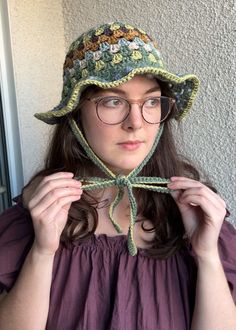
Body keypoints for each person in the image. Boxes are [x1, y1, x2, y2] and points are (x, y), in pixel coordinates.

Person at [0, 21, 235, 330]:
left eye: (151, 101)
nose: (136, 122)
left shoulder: (198, 217)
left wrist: (206, 255)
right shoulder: (31, 220)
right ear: (75, 115)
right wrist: (42, 252)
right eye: (113, 101)